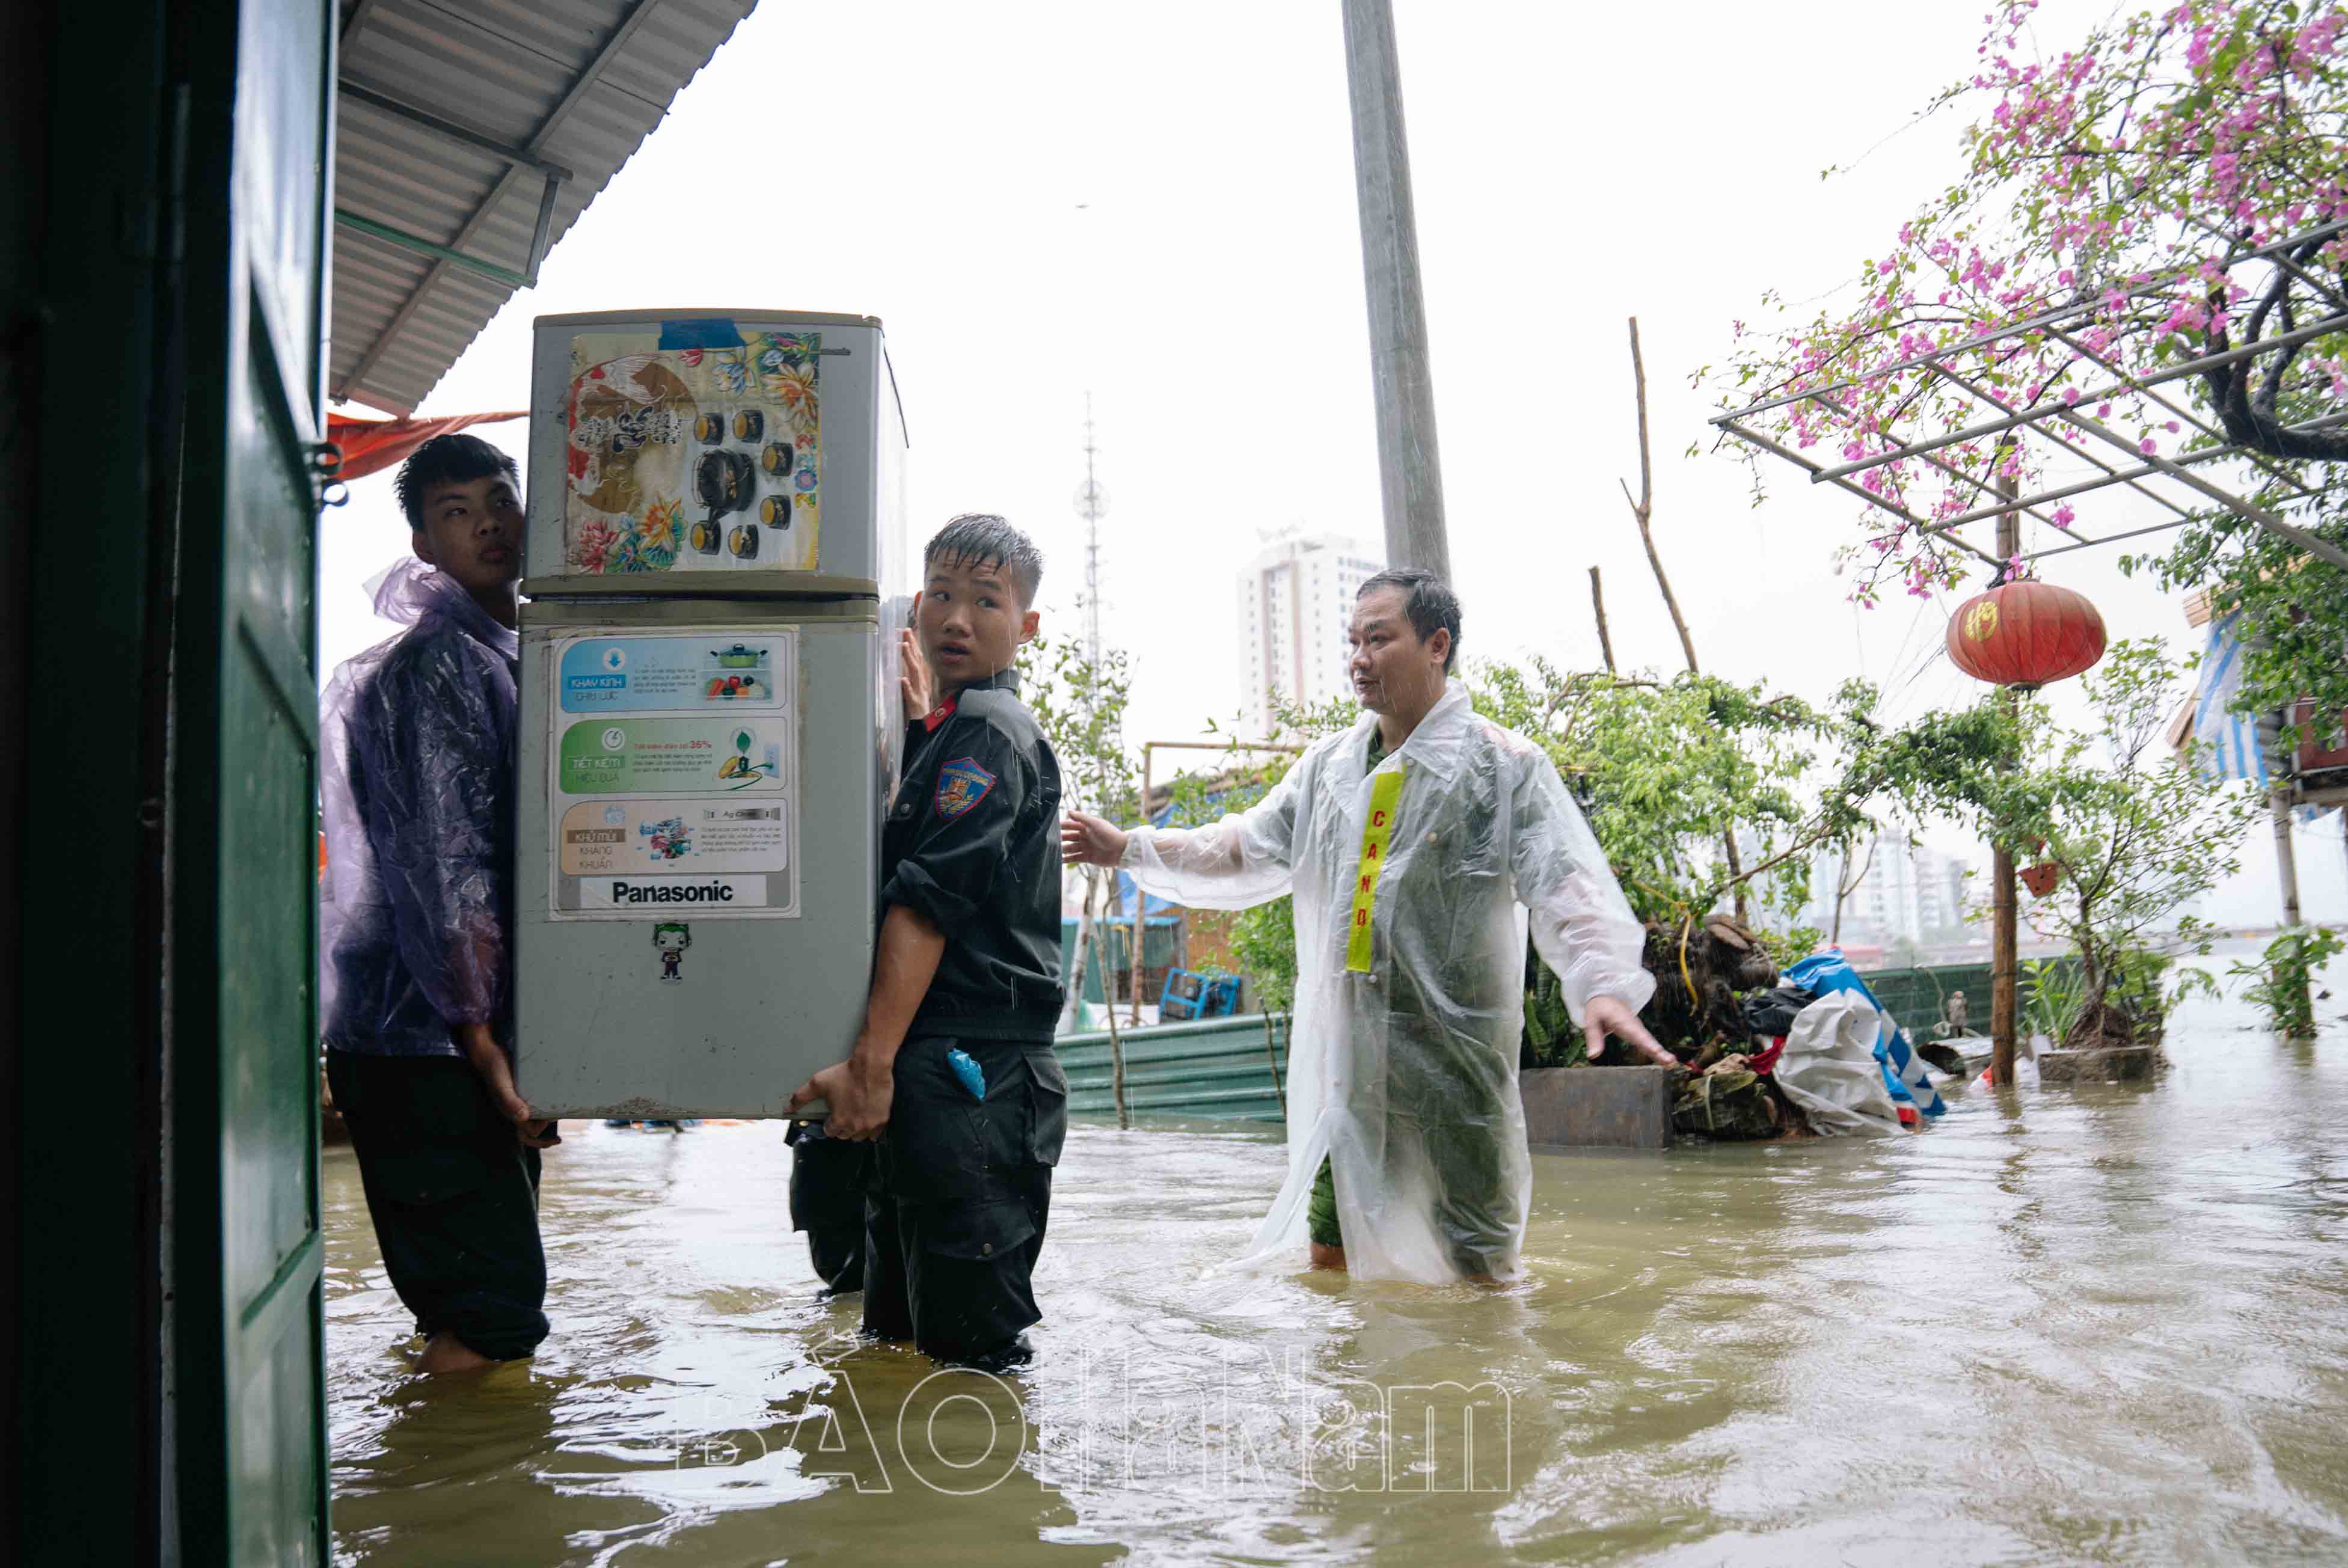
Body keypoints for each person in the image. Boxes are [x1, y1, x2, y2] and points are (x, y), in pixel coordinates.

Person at [1063, 568, 1672, 1284]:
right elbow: (1242, 847)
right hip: (1348, 1065)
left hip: (1454, 1065)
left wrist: (1600, 982)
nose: (1357, 657)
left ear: (1436, 644)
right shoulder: (1328, 766)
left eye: (1377, 639)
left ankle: (1479, 1392)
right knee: (1330, 1259)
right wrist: (1129, 847)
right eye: (1352, 640)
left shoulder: (1500, 764)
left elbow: (1564, 878)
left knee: (1480, 1267)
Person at [786, 513, 1068, 1370]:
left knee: (970, 1359)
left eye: (985, 601)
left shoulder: (989, 731)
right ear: (914, 604)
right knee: (900, 1341)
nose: (955, 619)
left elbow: (928, 906)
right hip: (931, 1074)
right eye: (940, 594)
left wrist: (870, 1064)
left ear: (1024, 629)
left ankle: (971, 1505)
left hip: (970, 1075)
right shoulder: (942, 731)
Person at [319, 433, 556, 1375]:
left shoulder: (505, 653)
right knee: (492, 1322)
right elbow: (444, 865)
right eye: (455, 513)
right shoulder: (439, 669)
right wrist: (480, 1035)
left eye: (499, 498)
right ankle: (449, 1502)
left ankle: (443, 1490)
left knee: (474, 1309)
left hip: (448, 1038)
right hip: (422, 1043)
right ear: (423, 546)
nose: (488, 524)